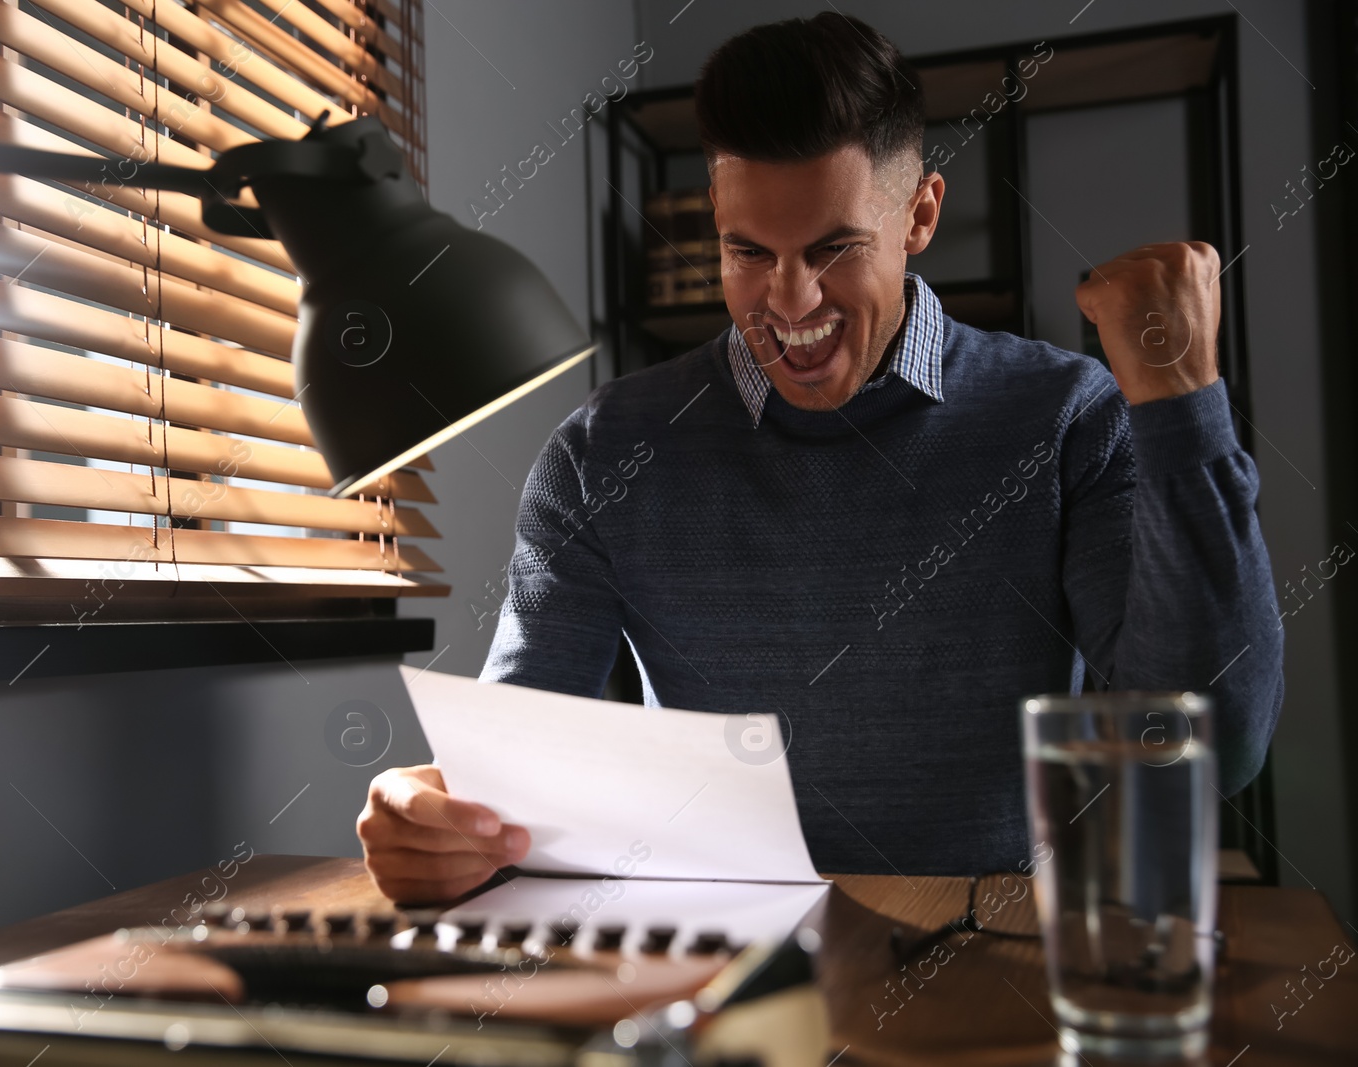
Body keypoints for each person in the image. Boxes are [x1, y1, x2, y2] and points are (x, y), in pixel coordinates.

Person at [358, 11, 1284, 905]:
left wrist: (1182, 403)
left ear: (920, 216)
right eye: (747, 252)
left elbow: (1206, 743)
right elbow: (516, 774)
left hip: (989, 965)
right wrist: (438, 823)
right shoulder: (605, 452)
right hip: (715, 975)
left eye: (835, 248)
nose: (788, 302)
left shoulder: (1066, 417)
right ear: (715, 217)